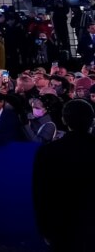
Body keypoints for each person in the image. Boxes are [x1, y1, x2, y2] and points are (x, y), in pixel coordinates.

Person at [33, 99, 95, 251]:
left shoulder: (48, 151)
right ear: (92, 121)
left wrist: (44, 227)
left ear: (64, 120)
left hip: (60, 225)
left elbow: (41, 192)